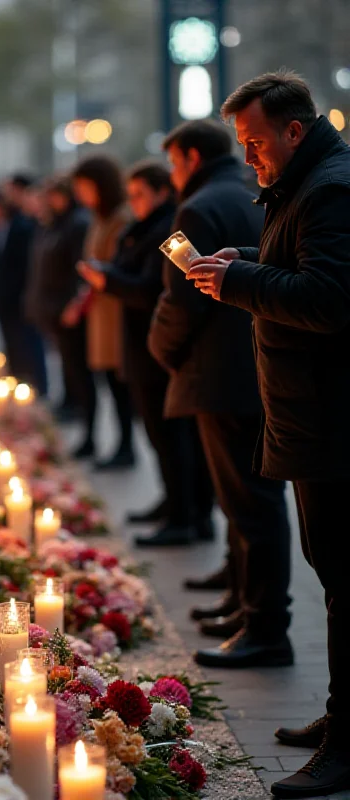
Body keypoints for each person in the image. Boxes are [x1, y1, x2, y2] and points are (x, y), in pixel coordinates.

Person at [188, 70, 350, 800]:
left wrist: (237, 286)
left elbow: (330, 300)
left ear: (293, 130)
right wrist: (244, 262)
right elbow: (299, 268)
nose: (248, 158)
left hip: (335, 419)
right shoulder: (305, 183)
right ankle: (340, 715)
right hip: (312, 415)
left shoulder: (330, 188)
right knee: (335, 574)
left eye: (255, 142)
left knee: (347, 579)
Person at [148, 118, 292, 653]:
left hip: (218, 370)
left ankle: (264, 625)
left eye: (173, 163)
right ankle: (244, 605)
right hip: (259, 366)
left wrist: (161, 352)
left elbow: (180, 298)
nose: (173, 174)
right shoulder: (253, 193)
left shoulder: (197, 208)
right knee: (250, 498)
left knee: (248, 501)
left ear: (189, 157)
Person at [78, 160, 214, 539]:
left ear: (161, 192)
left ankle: (185, 515)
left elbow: (151, 287)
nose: (133, 201)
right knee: (158, 435)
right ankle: (172, 502)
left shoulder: (166, 229)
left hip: (157, 348)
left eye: (140, 194)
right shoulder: (143, 228)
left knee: (173, 437)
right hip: (141, 346)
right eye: (131, 193)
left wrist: (107, 278)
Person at [64, 155, 135, 470]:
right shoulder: (98, 217)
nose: (80, 193)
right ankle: (117, 444)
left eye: (84, 186)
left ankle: (126, 446)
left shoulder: (120, 218)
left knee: (119, 384)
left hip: (115, 311)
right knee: (107, 379)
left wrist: (95, 277)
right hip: (99, 312)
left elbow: (117, 264)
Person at [25, 177, 91, 420]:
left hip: (68, 306)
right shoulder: (52, 224)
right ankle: (69, 401)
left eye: (54, 195)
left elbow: (79, 268)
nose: (50, 201)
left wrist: (75, 302)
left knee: (78, 367)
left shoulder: (77, 224)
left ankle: (81, 411)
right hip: (51, 305)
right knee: (65, 361)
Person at [0, 188, 47, 394]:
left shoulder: (21, 228)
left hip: (20, 300)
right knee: (12, 347)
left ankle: (37, 389)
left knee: (29, 346)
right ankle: (18, 387)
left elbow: (25, 268)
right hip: (4, 301)